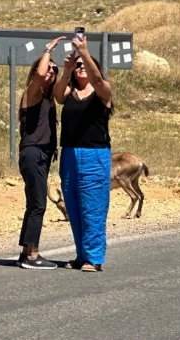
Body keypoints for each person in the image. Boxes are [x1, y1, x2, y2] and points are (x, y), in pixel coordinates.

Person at [52, 36, 113, 273]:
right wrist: (66, 70)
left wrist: (84, 53)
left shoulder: (102, 93)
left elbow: (98, 80)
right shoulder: (69, 93)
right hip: (69, 154)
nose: (81, 69)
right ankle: (81, 255)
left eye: (85, 65)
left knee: (93, 207)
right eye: (78, 66)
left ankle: (94, 258)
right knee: (75, 207)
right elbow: (57, 95)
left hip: (95, 155)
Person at [16, 36, 63, 270]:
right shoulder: (32, 93)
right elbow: (41, 75)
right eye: (49, 68)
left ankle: (26, 252)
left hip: (40, 155)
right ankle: (33, 256)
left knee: (33, 204)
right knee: (38, 206)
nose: (52, 71)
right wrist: (48, 50)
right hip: (33, 153)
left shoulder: (47, 98)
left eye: (56, 69)